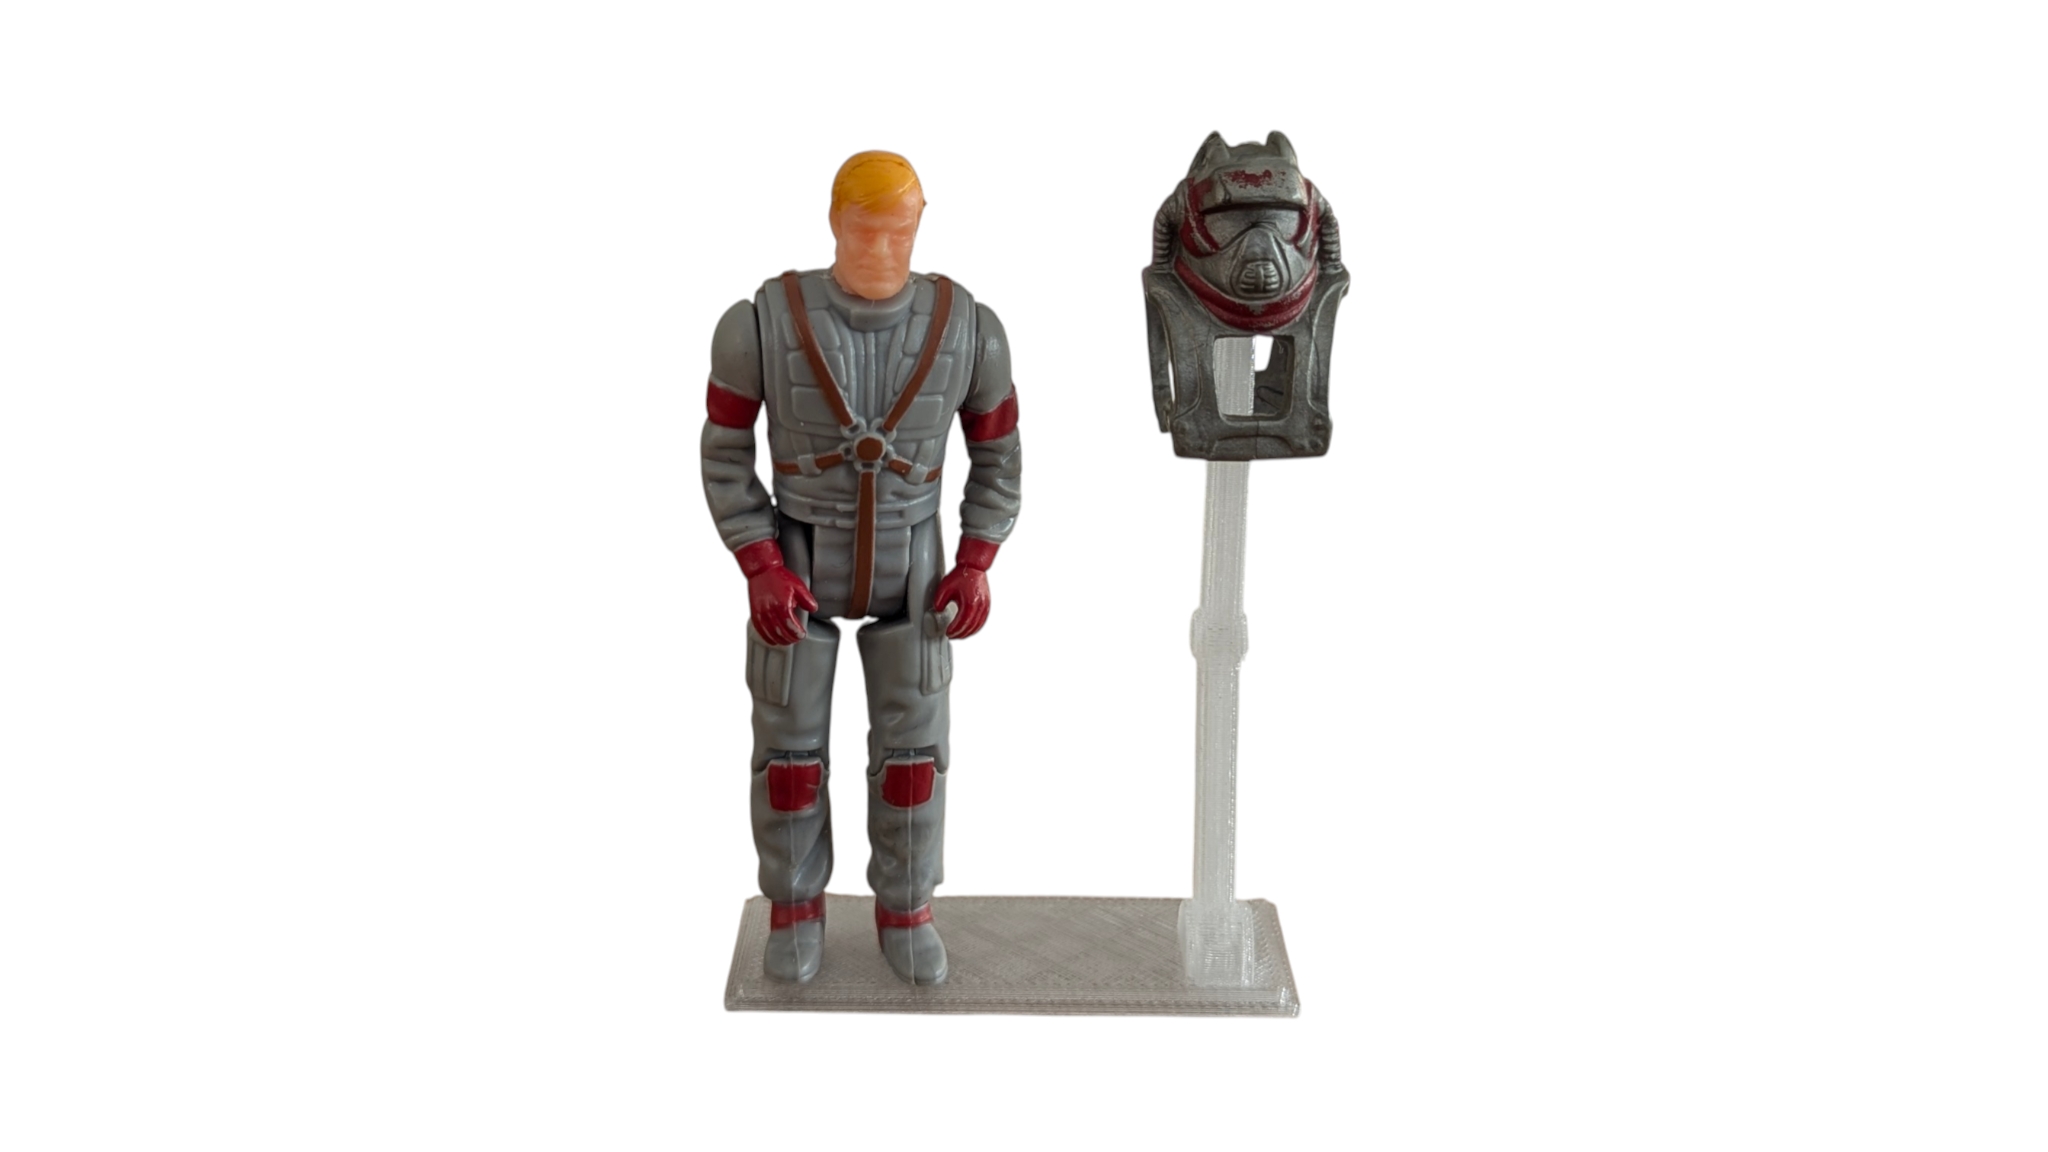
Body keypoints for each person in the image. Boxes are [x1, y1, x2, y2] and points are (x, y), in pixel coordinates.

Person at [700, 151, 1022, 985]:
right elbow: (725, 455)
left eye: (897, 231)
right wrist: (760, 563)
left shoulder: (970, 329)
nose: (880, 247)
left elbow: (999, 455)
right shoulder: (761, 324)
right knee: (788, 757)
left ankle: (907, 907)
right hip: (799, 557)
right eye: (863, 229)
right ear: (834, 221)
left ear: (920, 225)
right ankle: (794, 907)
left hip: (915, 567)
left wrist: (976, 560)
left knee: (915, 759)